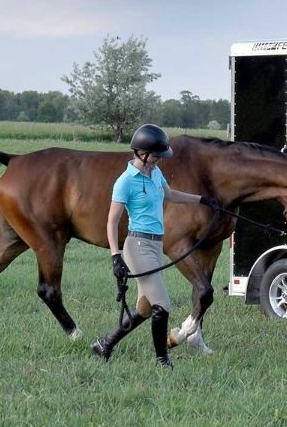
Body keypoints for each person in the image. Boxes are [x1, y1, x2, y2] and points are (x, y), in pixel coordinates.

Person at [91, 124, 220, 368]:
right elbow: (111, 221)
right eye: (156, 155)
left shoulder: (155, 174)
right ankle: (163, 360)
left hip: (155, 245)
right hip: (137, 246)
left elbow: (170, 194)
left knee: (145, 308)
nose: (160, 160)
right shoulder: (125, 181)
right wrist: (115, 256)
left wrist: (202, 200)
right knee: (162, 304)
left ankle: (104, 344)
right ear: (141, 153)